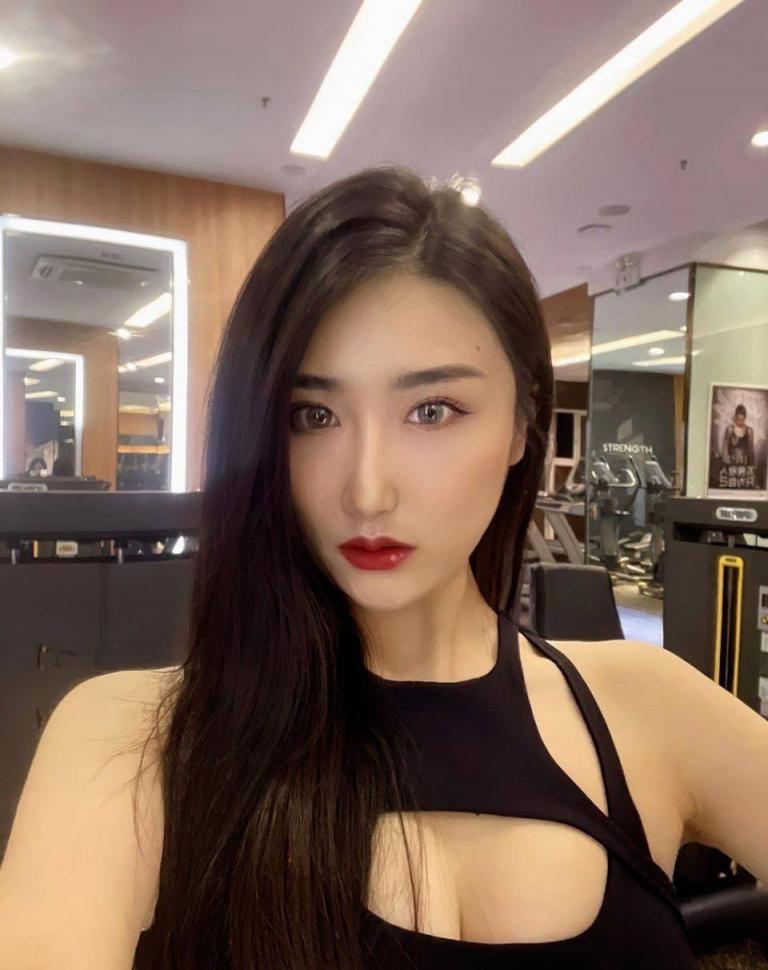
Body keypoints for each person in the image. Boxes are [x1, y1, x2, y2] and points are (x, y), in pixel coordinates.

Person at [1, 166, 767, 970]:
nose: (366, 490)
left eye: (432, 411)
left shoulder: (646, 707)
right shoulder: (134, 742)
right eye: (314, 415)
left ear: (521, 425)